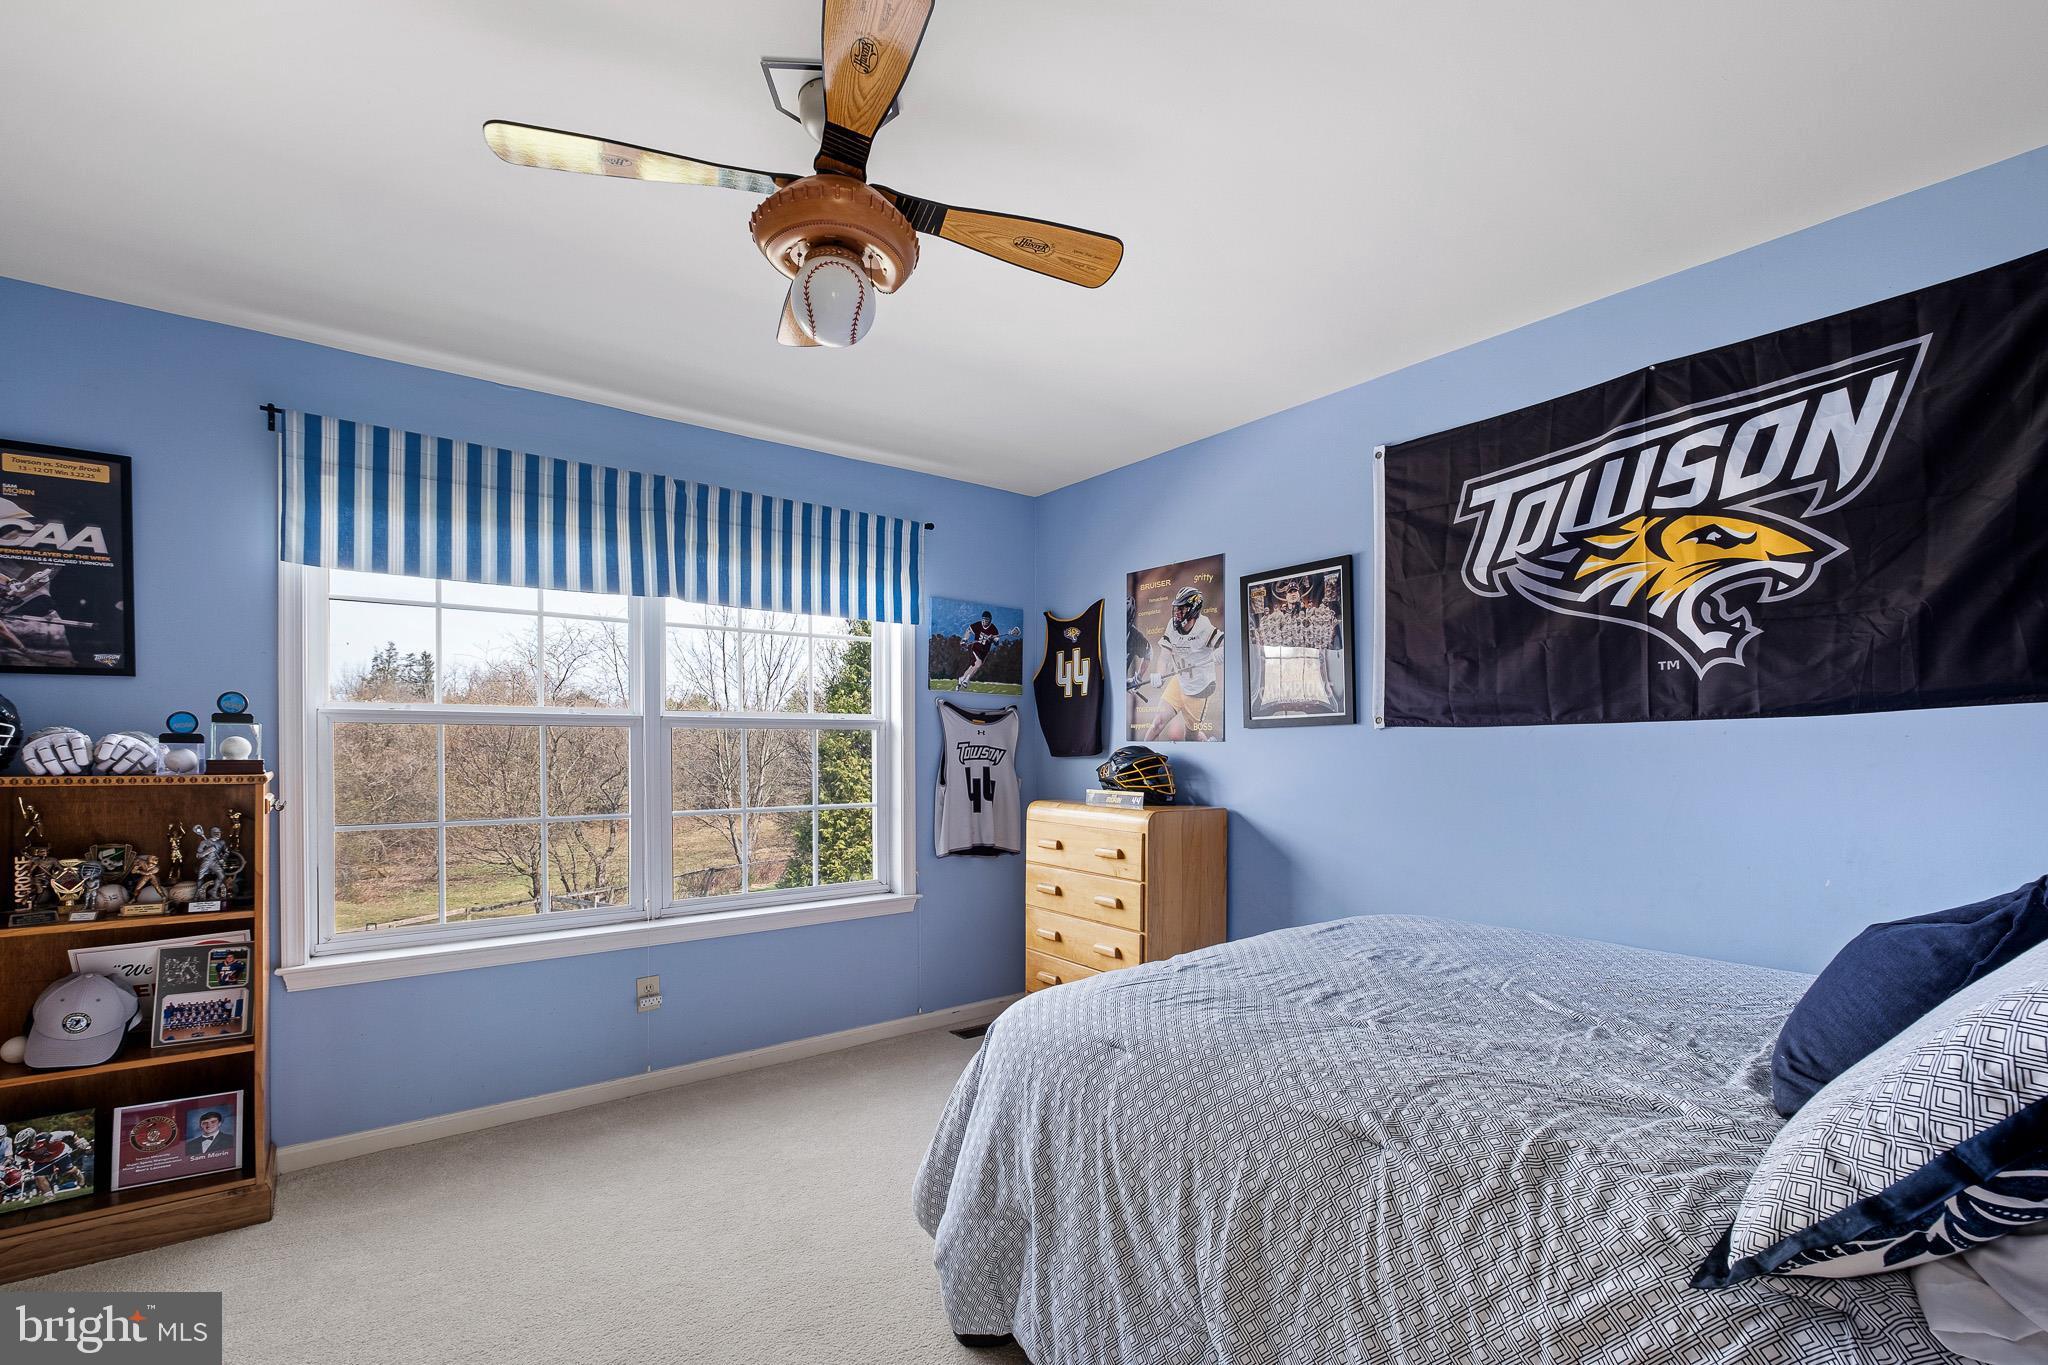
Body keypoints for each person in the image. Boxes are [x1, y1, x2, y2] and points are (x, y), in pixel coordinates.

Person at [1145, 587, 1225, 742]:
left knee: (1191, 737)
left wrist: (1221, 652)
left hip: (1199, 688)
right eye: (1176, 608)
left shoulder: (1204, 627)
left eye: (1182, 609)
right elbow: (1164, 657)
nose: (1177, 613)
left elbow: (1225, 644)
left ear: (1194, 609)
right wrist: (1159, 674)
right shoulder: (1172, 625)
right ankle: (1141, 756)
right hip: (1180, 681)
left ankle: (1206, 743)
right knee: (1157, 723)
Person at [954, 611, 1016, 688]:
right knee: (978, 663)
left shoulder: (993, 629)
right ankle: (966, 680)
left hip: (984, 652)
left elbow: (996, 643)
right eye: (983, 619)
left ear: (990, 620)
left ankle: (962, 678)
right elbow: (969, 630)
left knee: (974, 666)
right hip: (976, 648)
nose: (984, 621)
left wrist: (992, 639)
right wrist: (964, 640)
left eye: (986, 620)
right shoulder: (978, 625)